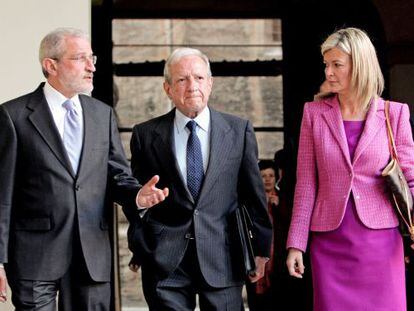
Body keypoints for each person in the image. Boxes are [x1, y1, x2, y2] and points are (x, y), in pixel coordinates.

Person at [0, 27, 168, 310]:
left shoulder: (102, 114)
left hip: (92, 255)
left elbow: (116, 174)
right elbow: (1, 195)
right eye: (80, 58)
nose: (91, 67)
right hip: (34, 256)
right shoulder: (12, 116)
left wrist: (136, 196)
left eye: (92, 58)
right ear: (50, 65)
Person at [127, 47, 272, 310]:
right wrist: (141, 245)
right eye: (182, 79)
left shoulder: (238, 131)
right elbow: (136, 196)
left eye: (199, 78)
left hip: (224, 255)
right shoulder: (145, 134)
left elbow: (253, 194)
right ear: (168, 89)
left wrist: (261, 250)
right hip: (165, 259)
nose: (192, 86)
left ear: (211, 83)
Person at [286, 27, 414, 310]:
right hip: (329, 243)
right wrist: (296, 243)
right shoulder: (314, 114)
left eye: (337, 65)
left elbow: (411, 179)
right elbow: (306, 183)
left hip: (381, 243)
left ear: (360, 66)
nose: (328, 72)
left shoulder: (395, 114)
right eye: (326, 64)